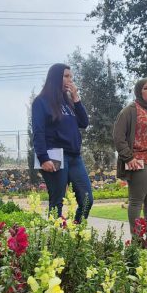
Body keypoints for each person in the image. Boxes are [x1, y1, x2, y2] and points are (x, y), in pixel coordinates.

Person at [32, 63, 93, 222]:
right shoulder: (41, 102)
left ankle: (77, 233)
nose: (70, 80)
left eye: (71, 77)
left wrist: (76, 99)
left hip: (74, 157)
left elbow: (84, 123)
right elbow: (38, 132)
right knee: (56, 202)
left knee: (87, 199)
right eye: (66, 76)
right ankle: (55, 241)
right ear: (55, 78)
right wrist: (43, 158)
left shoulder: (68, 102)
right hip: (55, 156)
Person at [113, 78, 147, 249]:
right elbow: (118, 136)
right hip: (140, 161)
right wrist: (129, 158)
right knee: (136, 201)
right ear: (139, 91)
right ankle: (137, 238)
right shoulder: (130, 111)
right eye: (146, 88)